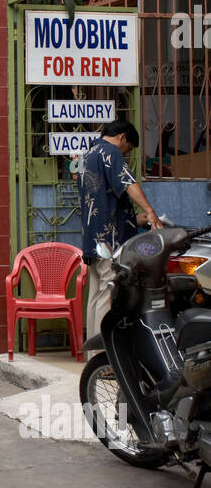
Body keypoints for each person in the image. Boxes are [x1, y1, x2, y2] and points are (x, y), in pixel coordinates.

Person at [78, 119, 161, 337]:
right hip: (110, 239)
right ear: (122, 137)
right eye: (129, 148)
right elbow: (128, 183)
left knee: (96, 294)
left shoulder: (88, 154)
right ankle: (104, 354)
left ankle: (93, 356)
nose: (127, 153)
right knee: (109, 293)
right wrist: (150, 212)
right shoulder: (110, 152)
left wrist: (137, 220)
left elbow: (102, 198)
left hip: (92, 237)